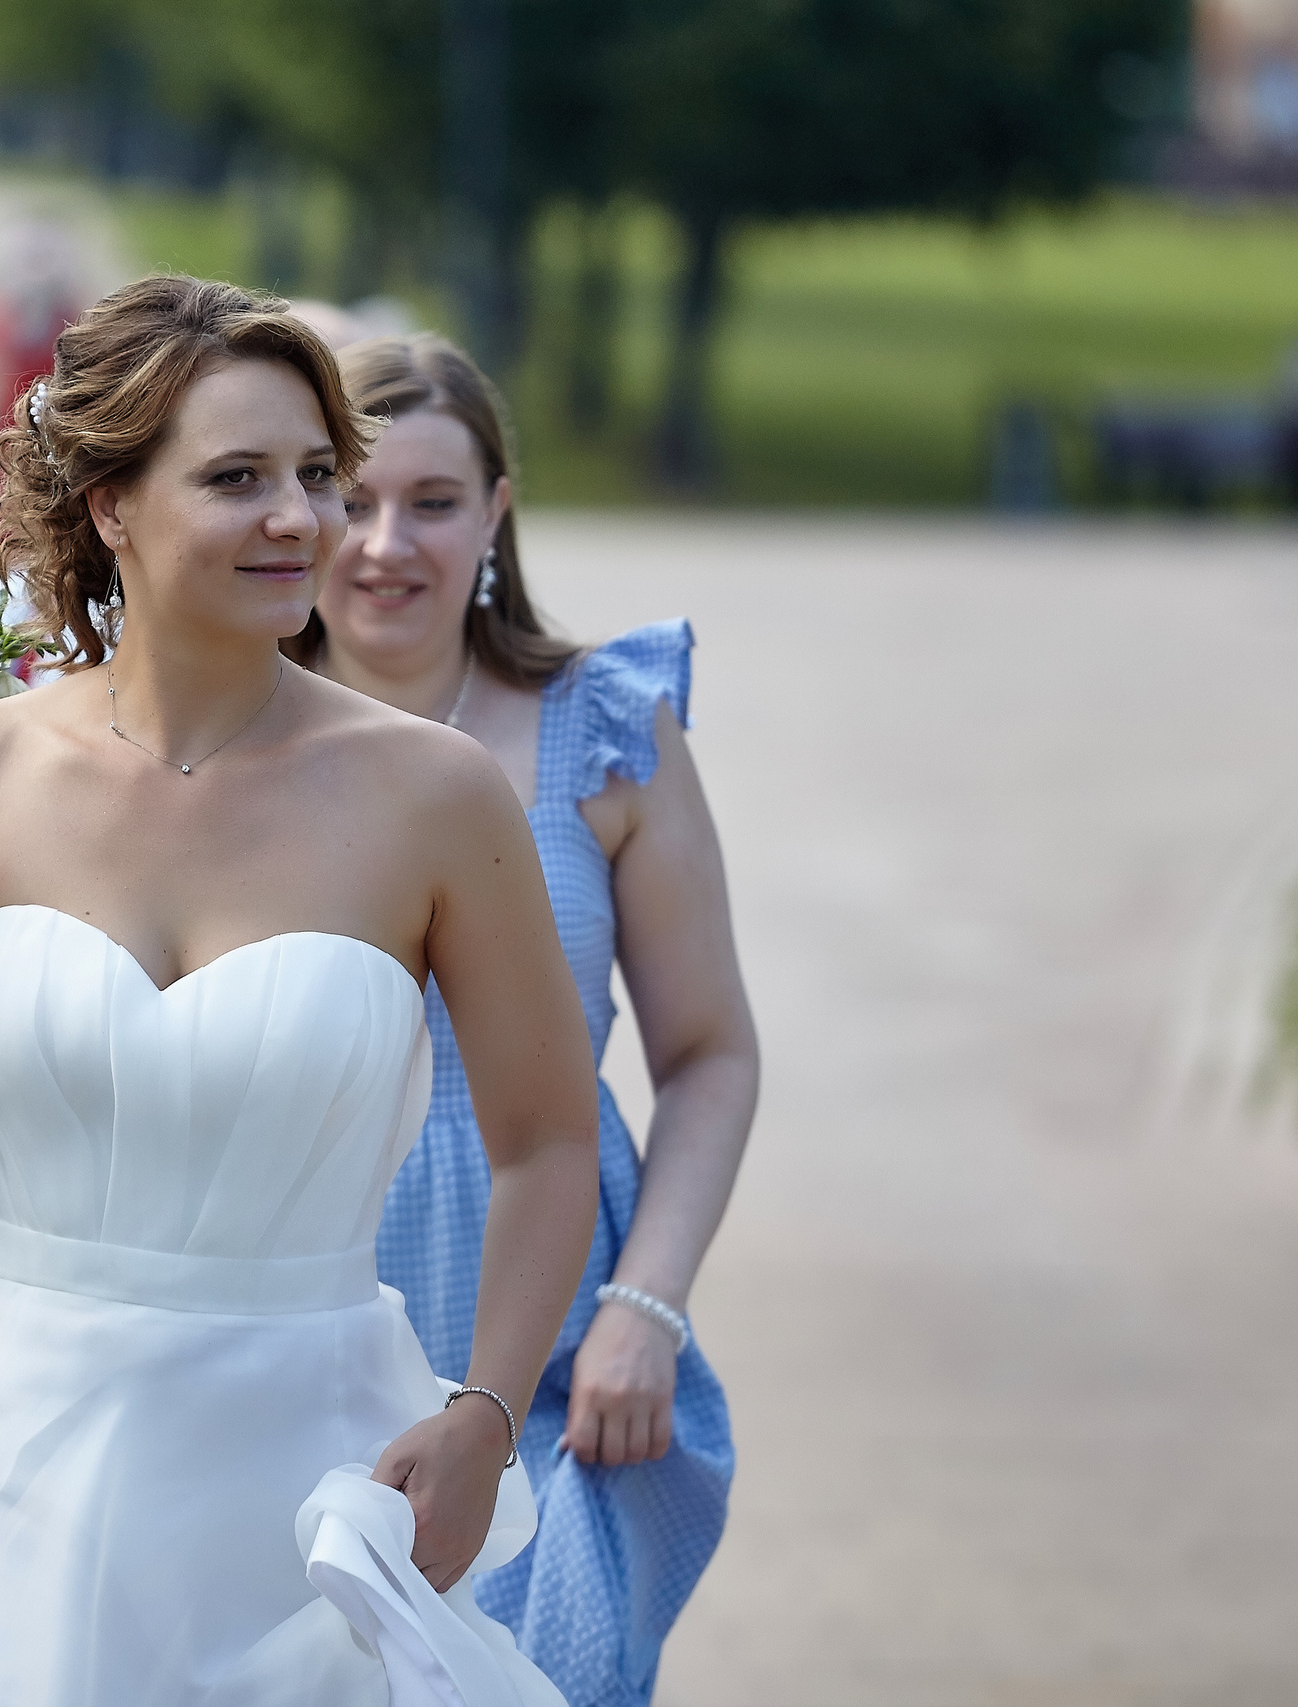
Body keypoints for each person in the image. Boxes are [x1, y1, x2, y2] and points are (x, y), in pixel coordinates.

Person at [0, 276, 602, 1705]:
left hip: (305, 1478)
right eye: (239, 478)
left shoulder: (434, 797)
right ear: (112, 506)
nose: (302, 521)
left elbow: (549, 1140)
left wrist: (487, 1415)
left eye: (319, 475)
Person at [291, 333, 756, 1707]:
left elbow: (711, 1055)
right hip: (296, 1336)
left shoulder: (604, 733)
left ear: (496, 512)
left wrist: (647, 1309)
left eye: (432, 502)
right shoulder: (227, 751)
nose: (385, 544)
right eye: (351, 496)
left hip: (550, 1370)